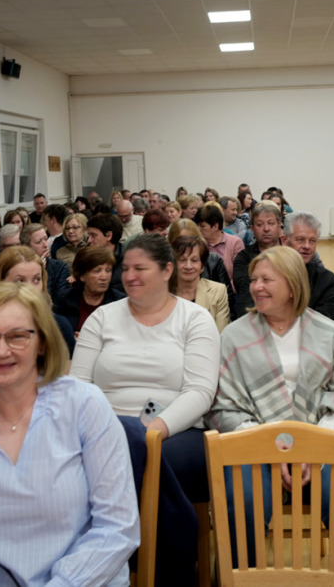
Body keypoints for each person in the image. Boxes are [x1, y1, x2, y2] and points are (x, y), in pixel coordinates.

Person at [0, 282, 139, 586]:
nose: (1, 351)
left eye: (17, 336)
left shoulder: (84, 405)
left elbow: (117, 527)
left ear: (42, 342)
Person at [208, 246, 334, 587]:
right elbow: (223, 408)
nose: (256, 287)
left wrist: (312, 449)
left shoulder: (328, 332)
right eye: (254, 280)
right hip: (254, 447)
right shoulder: (234, 336)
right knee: (243, 504)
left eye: (267, 279)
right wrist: (275, 449)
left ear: (292, 285)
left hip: (322, 446)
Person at [70, 234, 220, 586]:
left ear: (167, 270)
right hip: (105, 427)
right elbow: (78, 386)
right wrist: (107, 429)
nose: (129, 276)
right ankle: (171, 566)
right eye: (125, 268)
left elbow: (200, 392)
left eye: (140, 268)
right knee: (118, 449)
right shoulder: (103, 318)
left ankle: (114, 557)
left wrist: (153, 431)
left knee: (151, 455)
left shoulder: (195, 319)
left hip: (178, 430)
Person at [0, 245, 76, 355]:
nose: (31, 288)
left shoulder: (58, 326)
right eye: (20, 281)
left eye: (37, 279)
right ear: (0, 283)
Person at [284, 211, 334, 319]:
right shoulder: (267, 274)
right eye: (300, 240)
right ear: (284, 240)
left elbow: (325, 319)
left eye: (312, 241)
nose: (307, 246)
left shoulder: (327, 280)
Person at [233, 201, 285, 310]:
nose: (266, 229)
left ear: (279, 225)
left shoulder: (291, 254)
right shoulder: (243, 258)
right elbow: (244, 291)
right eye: (260, 224)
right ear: (252, 229)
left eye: (271, 223)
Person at [172, 235, 230, 332]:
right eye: (182, 260)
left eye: (194, 260)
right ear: (174, 264)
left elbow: (221, 333)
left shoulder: (218, 291)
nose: (188, 266)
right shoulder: (163, 292)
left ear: (202, 266)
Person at [194, 203, 244, 283]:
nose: (198, 229)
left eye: (202, 226)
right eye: (197, 225)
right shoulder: (196, 244)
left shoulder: (235, 243)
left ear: (215, 226)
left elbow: (239, 276)